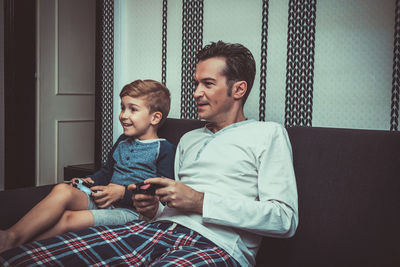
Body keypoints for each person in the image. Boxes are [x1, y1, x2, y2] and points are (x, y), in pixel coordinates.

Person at [0, 41, 298, 267]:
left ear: (238, 89)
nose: (195, 92)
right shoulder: (190, 138)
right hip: (153, 230)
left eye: (207, 83)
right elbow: (171, 204)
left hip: (216, 246)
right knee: (22, 258)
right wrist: (152, 207)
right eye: (196, 83)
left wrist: (200, 201)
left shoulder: (268, 134)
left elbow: (284, 220)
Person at [0, 79, 175, 253]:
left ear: (155, 117)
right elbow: (107, 172)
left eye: (133, 109)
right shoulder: (122, 141)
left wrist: (122, 194)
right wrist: (90, 180)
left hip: (132, 212)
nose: (123, 115)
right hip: (103, 198)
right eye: (122, 108)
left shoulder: (164, 149)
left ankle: (18, 250)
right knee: (63, 190)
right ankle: (11, 236)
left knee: (69, 219)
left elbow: (160, 194)